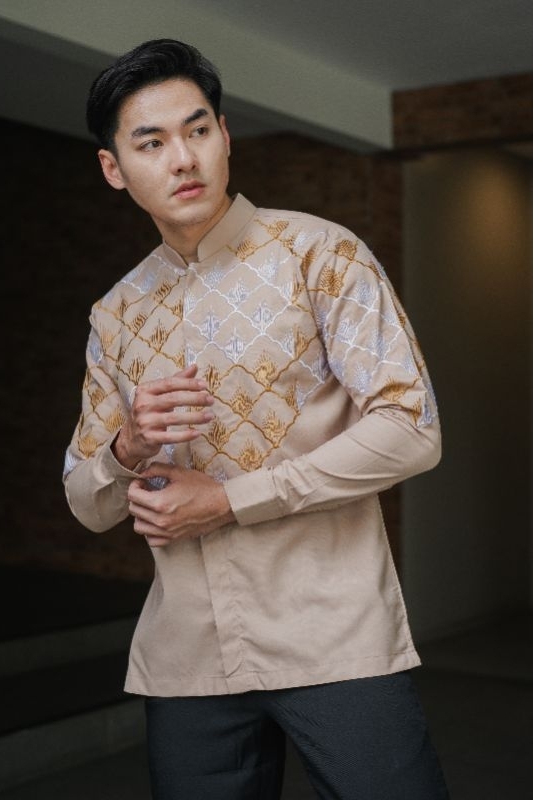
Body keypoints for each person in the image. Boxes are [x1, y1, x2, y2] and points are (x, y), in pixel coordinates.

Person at [63, 38, 450, 800]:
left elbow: (412, 429)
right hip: (188, 659)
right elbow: (88, 502)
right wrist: (126, 446)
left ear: (225, 136)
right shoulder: (116, 313)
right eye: (151, 142)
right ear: (114, 168)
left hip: (333, 639)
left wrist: (231, 500)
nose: (184, 158)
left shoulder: (321, 255)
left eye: (198, 130)